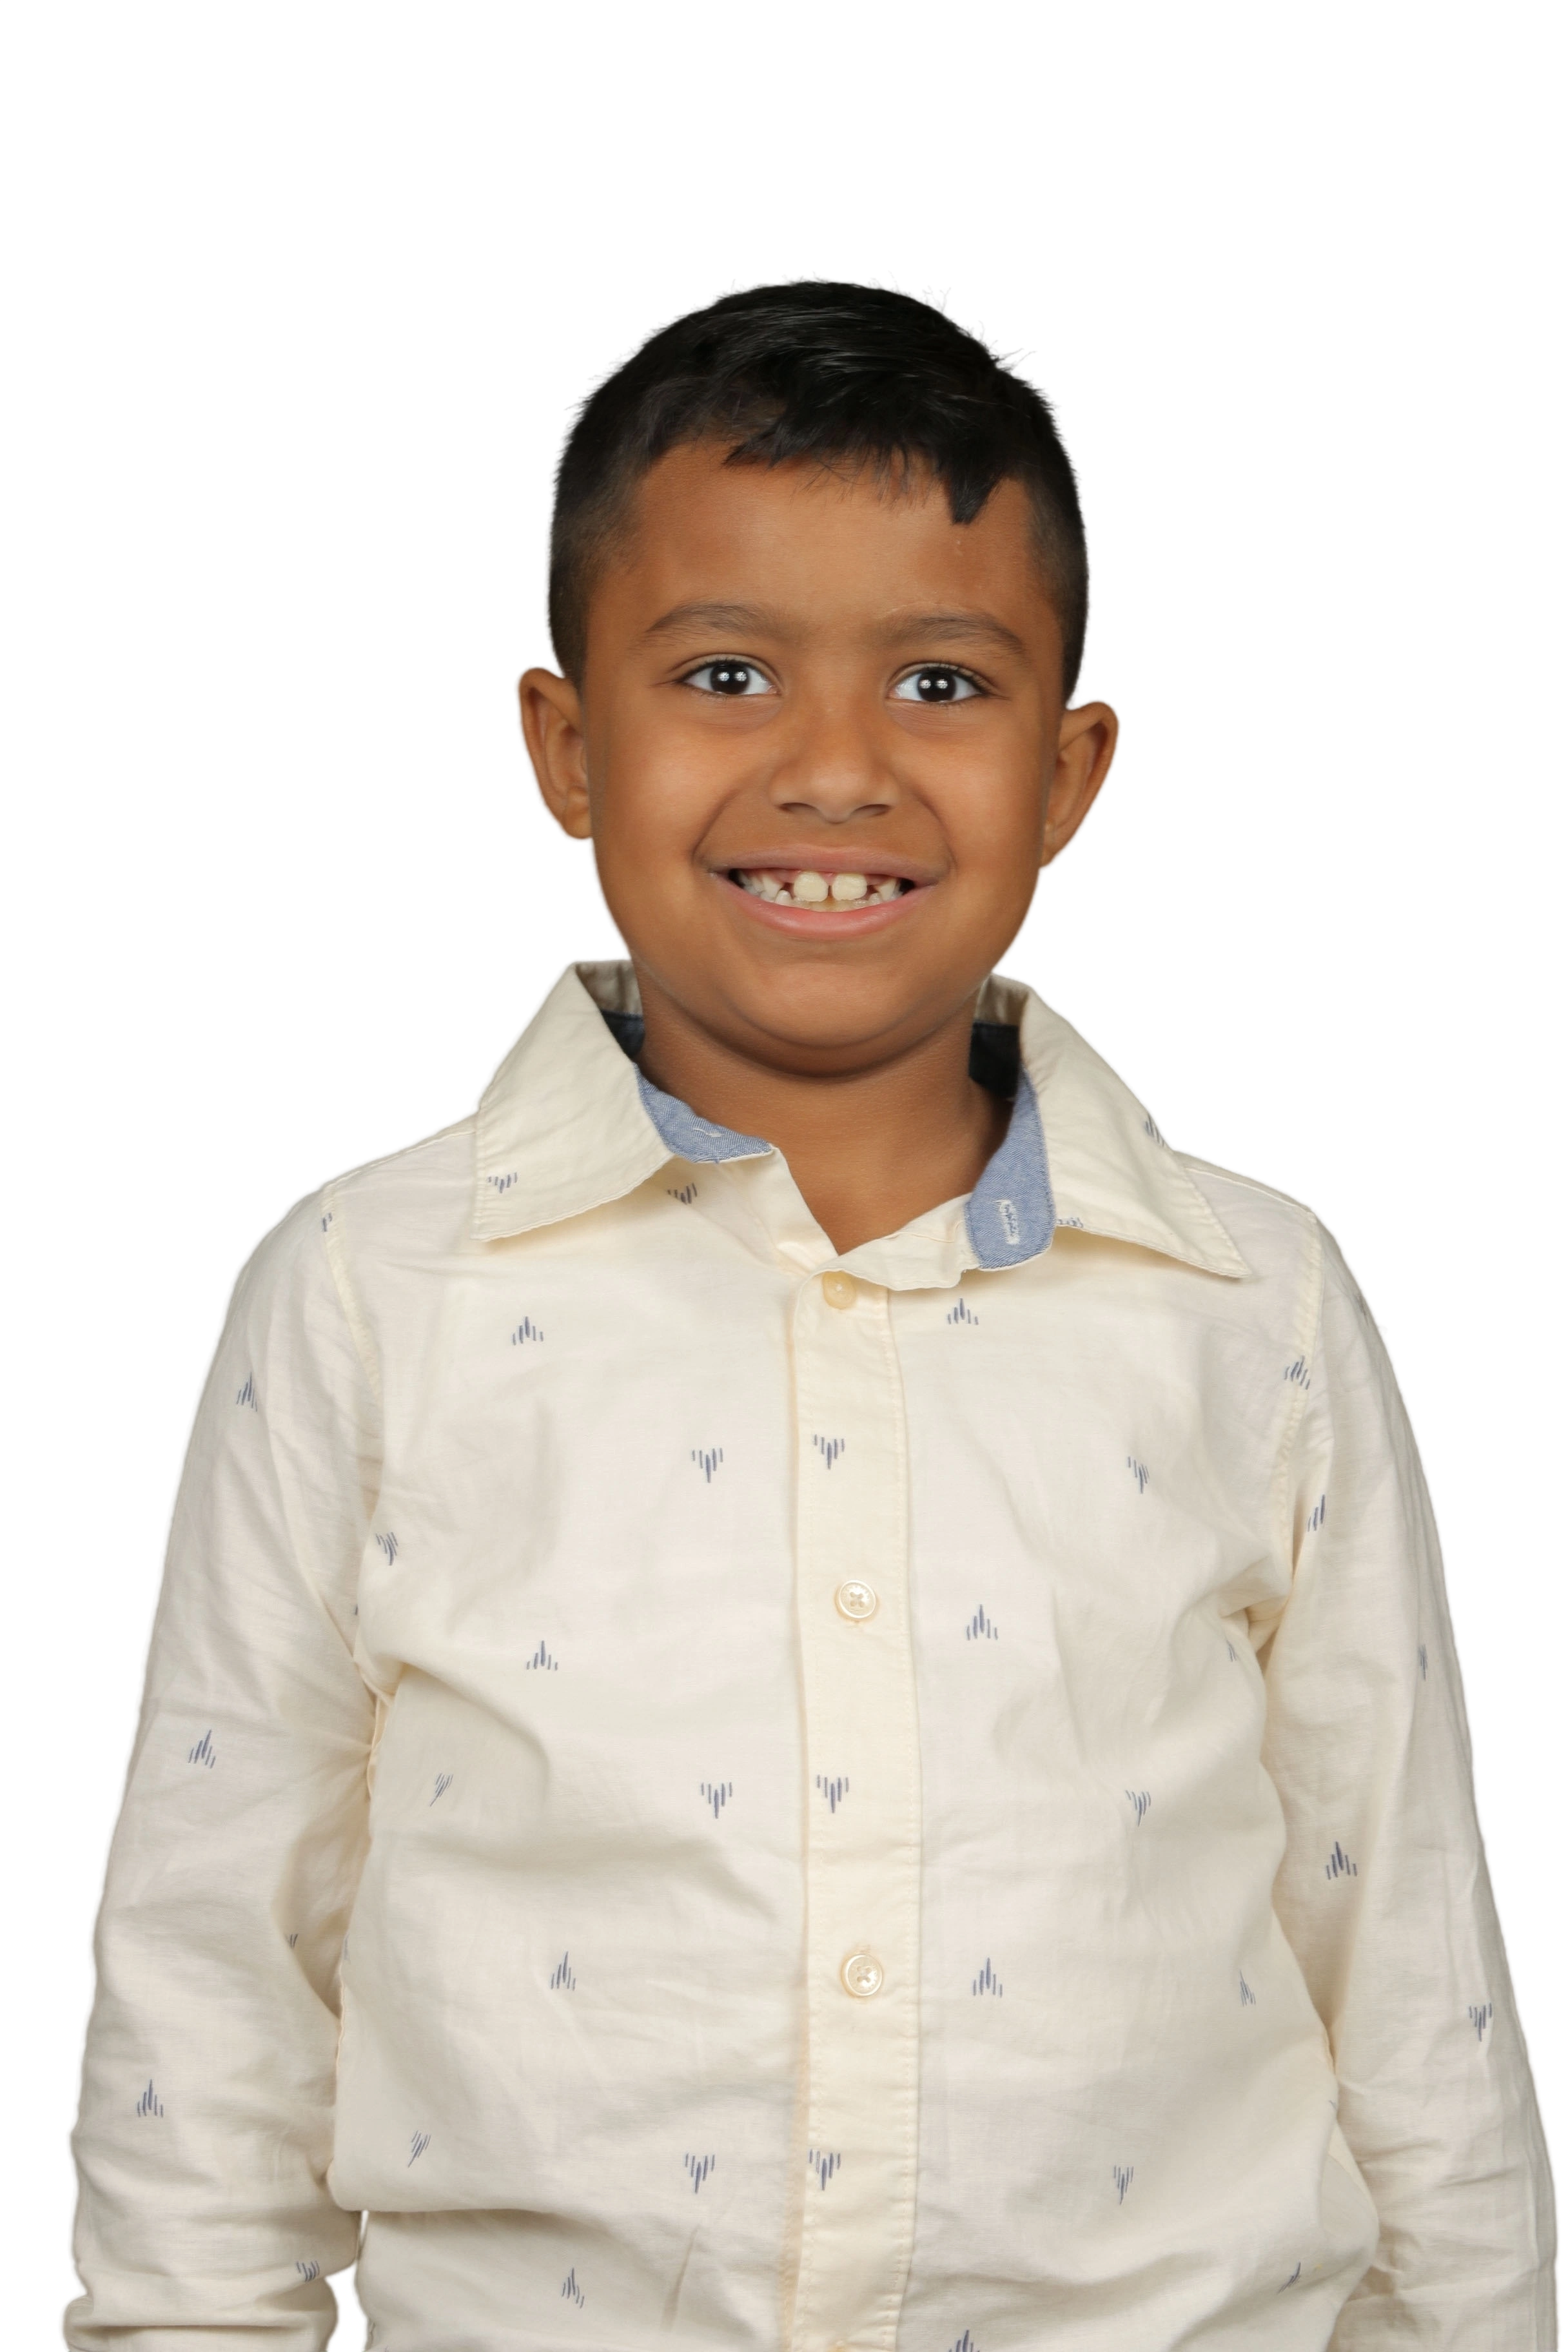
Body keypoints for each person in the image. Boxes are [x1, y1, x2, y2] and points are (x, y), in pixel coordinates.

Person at [61, 272, 1557, 2352]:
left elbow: (1404, 1956)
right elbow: (215, 1976)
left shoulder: (1255, 1305)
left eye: (942, 683)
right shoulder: (367, 1293)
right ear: (566, 748)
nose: (838, 770)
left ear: (1074, 769)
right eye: (727, 672)